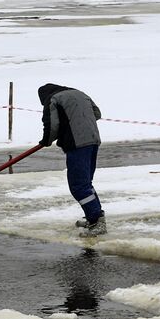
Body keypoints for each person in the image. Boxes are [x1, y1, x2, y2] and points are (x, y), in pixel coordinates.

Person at [38, 83, 106, 235]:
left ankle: (97, 222)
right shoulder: (80, 92)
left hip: (77, 143)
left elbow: (52, 124)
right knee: (86, 183)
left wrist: (46, 140)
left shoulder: (52, 98)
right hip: (93, 140)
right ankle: (93, 217)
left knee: (78, 186)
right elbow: (97, 113)